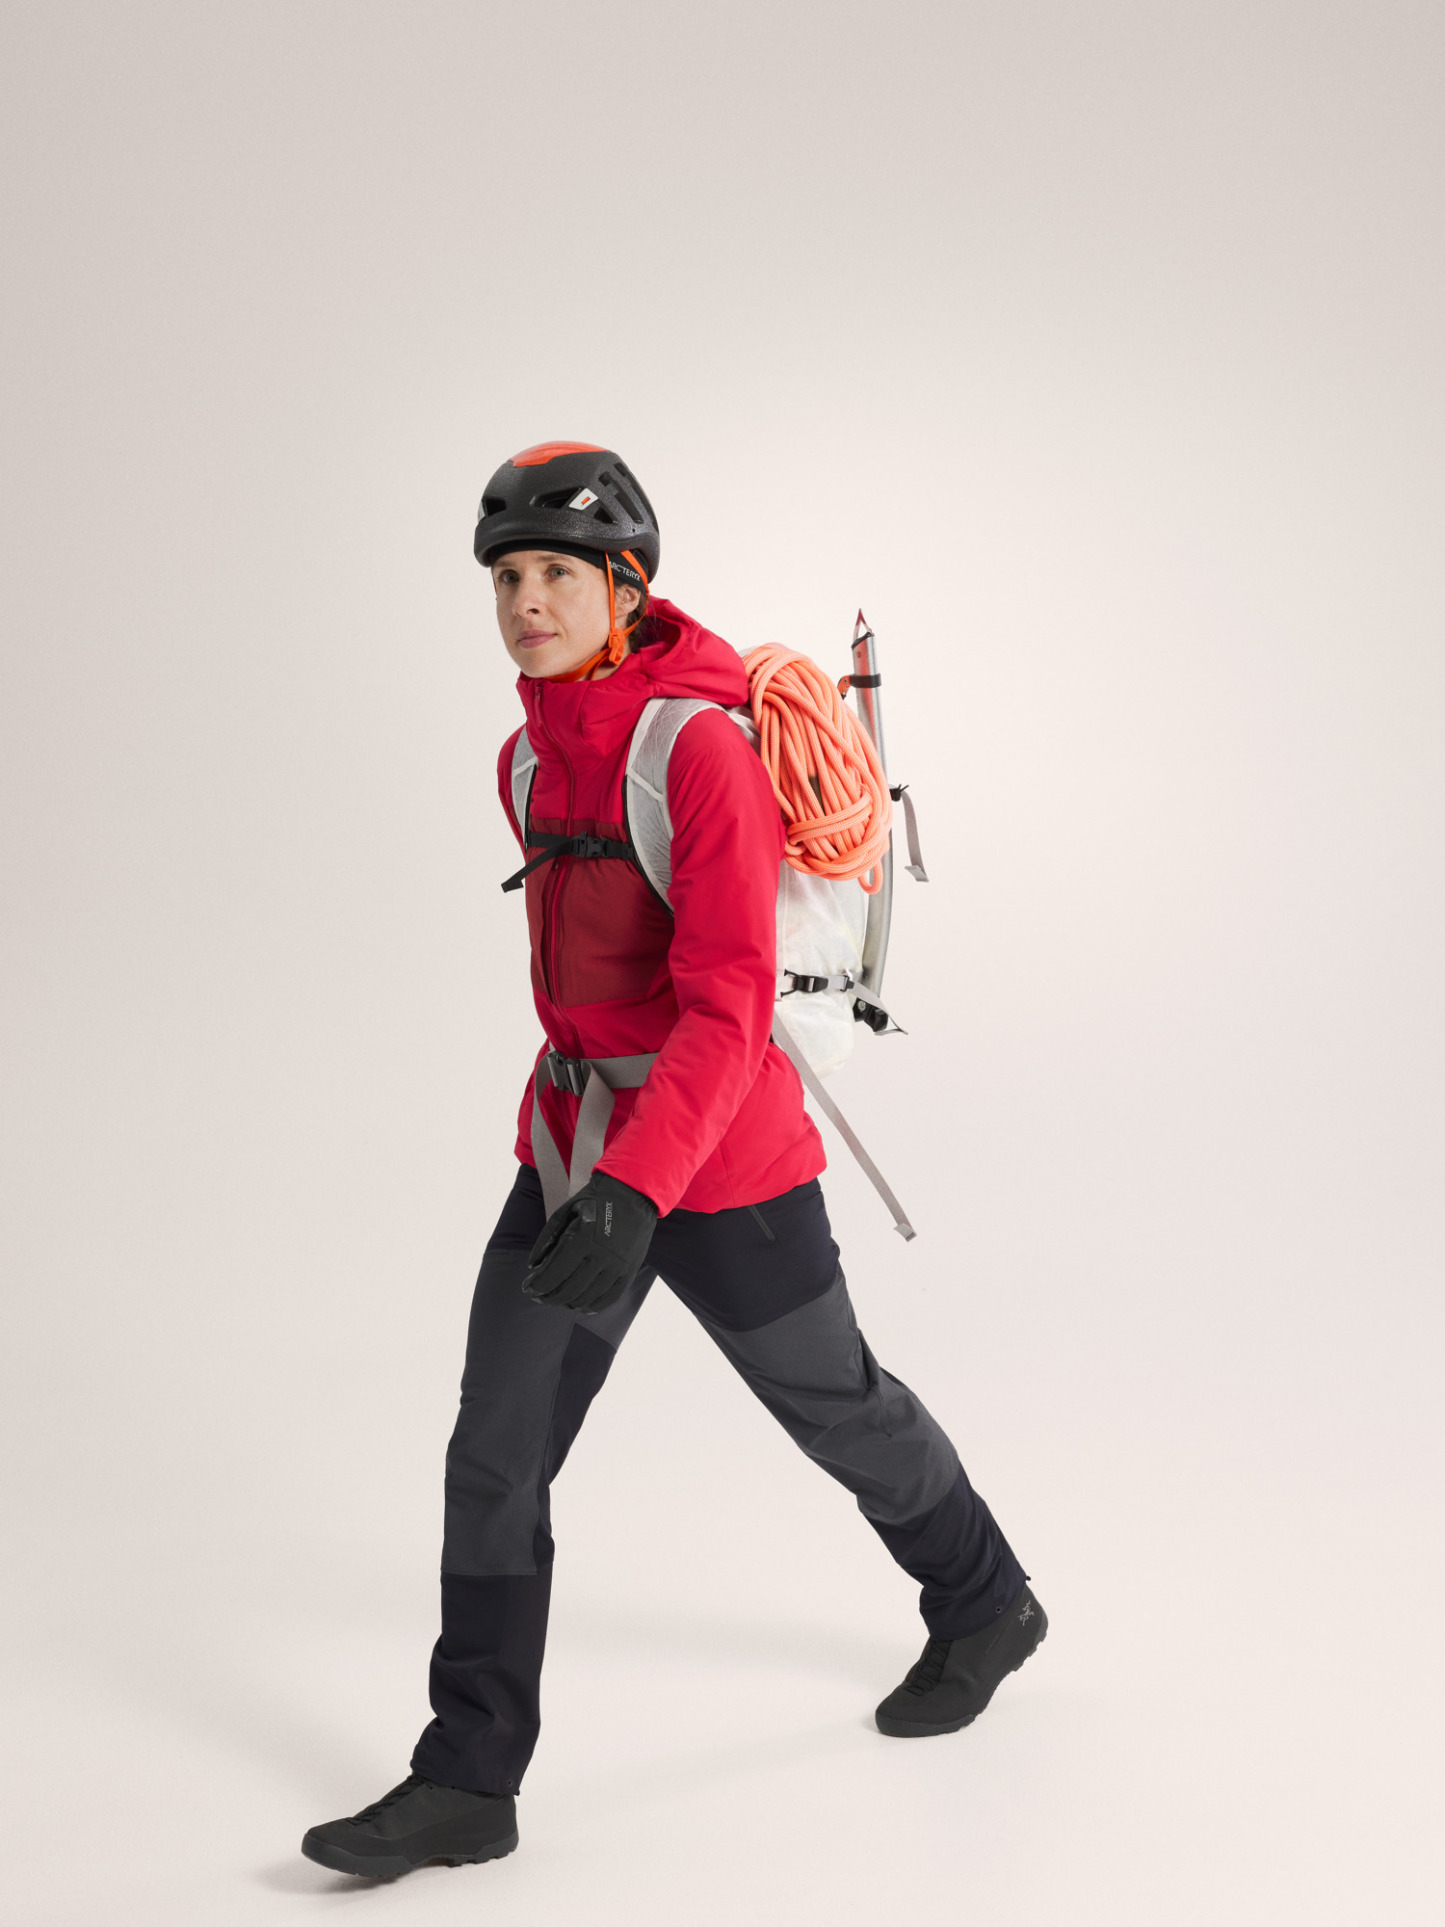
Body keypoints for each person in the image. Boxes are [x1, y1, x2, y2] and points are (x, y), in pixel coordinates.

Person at [301, 442, 1047, 1880]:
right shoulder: (525, 757)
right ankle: (467, 1779)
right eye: (506, 577)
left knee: (833, 1404)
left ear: (626, 587)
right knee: (495, 1453)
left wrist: (638, 1188)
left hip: (720, 1166)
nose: (525, 602)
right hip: (572, 1151)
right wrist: (588, 1169)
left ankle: (985, 1601)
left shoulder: (696, 752)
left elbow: (726, 1003)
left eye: (556, 573)